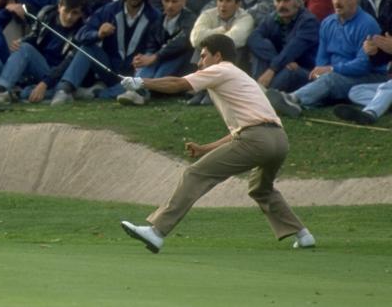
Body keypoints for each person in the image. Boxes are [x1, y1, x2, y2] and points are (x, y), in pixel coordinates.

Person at [119, 33, 315, 254]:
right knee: (261, 188)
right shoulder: (240, 76)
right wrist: (206, 148)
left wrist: (142, 82)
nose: (200, 62)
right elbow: (244, 129)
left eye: (203, 56)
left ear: (218, 56)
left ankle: (156, 232)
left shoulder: (220, 70)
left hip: (257, 140)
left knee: (195, 174)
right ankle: (303, 234)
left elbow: (178, 83)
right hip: (279, 141)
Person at [267, 0, 386, 118]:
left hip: (366, 77)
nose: (337, 1)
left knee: (330, 79)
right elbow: (321, 59)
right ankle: (272, 99)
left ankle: (293, 99)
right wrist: (321, 72)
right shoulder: (327, 23)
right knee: (298, 72)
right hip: (333, 75)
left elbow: (363, 65)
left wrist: (331, 69)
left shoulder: (367, 24)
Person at [52, 0, 159, 104]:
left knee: (150, 62)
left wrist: (147, 56)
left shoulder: (154, 16)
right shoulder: (109, 10)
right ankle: (64, 90)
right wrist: (98, 34)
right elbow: (81, 35)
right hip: (110, 69)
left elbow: (158, 45)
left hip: (137, 71)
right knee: (87, 48)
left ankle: (99, 93)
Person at [0, 0, 87, 106]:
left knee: (26, 92)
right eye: (66, 11)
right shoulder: (47, 14)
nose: (69, 17)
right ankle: (2, 90)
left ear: (81, 13)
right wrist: (21, 41)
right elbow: (35, 36)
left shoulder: (82, 30)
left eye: (75, 13)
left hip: (60, 75)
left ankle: (8, 91)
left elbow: (67, 63)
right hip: (41, 68)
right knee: (23, 47)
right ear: (59, 7)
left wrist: (44, 84)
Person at [116, 0, 196, 106]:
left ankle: (141, 92)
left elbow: (182, 42)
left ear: (183, 1)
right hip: (161, 58)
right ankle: (137, 91)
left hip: (181, 60)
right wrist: (142, 59)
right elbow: (151, 45)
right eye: (167, 1)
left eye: (174, 1)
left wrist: (154, 57)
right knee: (146, 61)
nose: (170, 5)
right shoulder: (159, 21)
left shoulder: (190, 19)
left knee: (160, 69)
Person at [247, 0, 320, 93]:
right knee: (263, 46)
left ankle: (259, 93)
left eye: (286, 0)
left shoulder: (308, 22)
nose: (281, 5)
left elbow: (293, 50)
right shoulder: (273, 18)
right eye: (278, 1)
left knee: (291, 70)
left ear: (298, 2)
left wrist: (272, 69)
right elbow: (253, 38)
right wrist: (276, 62)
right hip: (282, 66)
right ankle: (261, 91)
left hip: (305, 71)